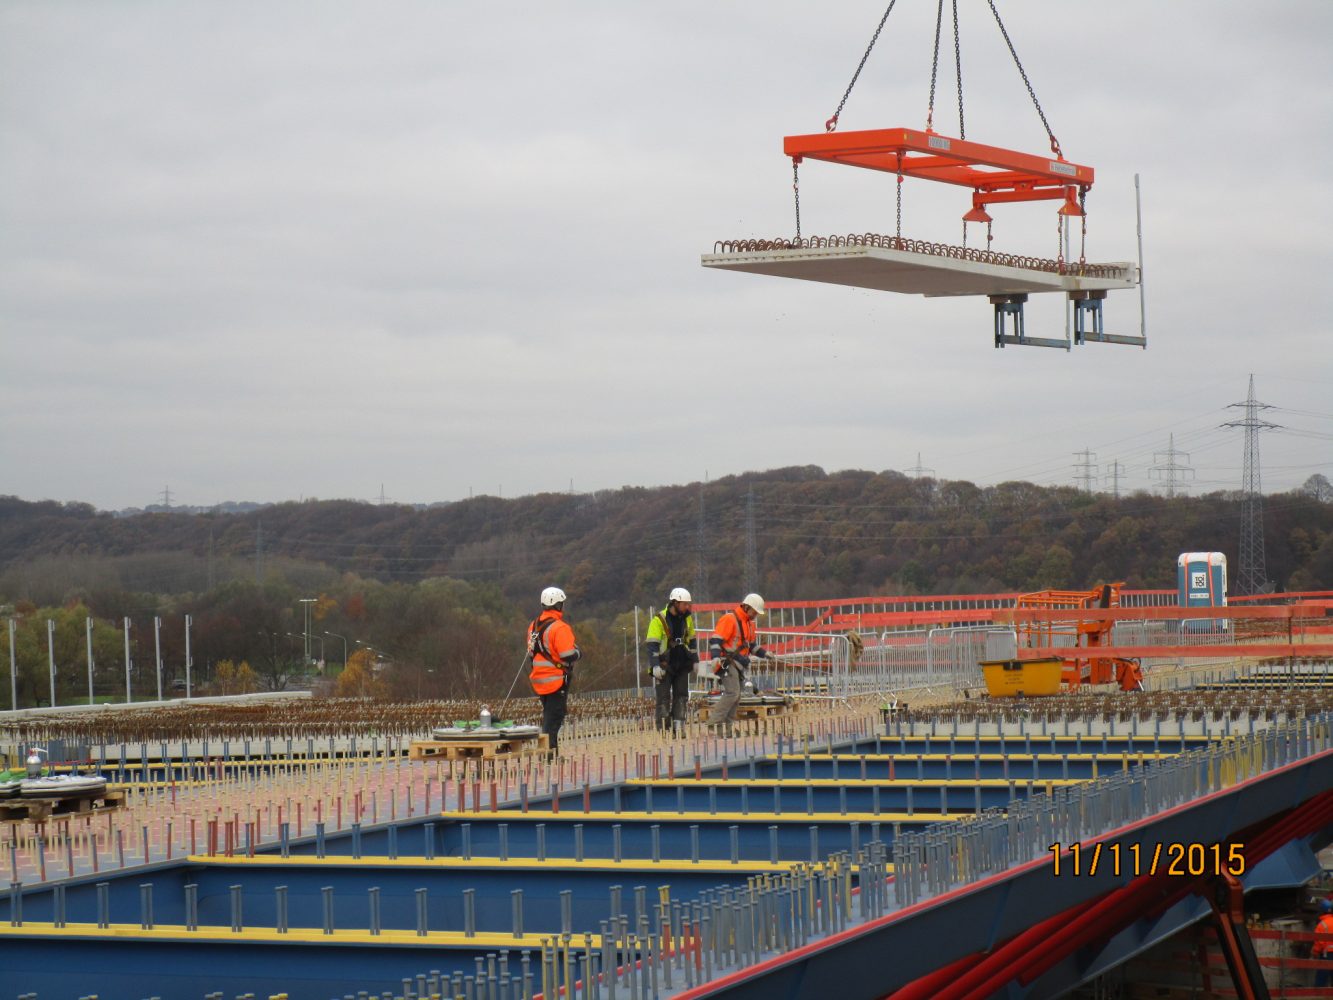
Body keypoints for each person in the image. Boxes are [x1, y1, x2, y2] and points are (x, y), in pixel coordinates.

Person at [706, 593, 770, 735]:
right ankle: (714, 723)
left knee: (737, 695)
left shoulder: (749, 624)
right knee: (732, 693)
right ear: (747, 607)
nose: (755, 615)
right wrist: (715, 658)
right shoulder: (729, 619)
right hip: (726, 662)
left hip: (738, 664)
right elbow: (716, 640)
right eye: (754, 612)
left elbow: (751, 646)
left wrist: (765, 654)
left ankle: (727, 727)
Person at [527, 586, 580, 756]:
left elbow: (531, 653)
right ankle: (549, 755)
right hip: (556, 680)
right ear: (558, 605)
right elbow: (567, 655)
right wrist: (578, 652)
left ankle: (552, 753)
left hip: (539, 680)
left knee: (550, 716)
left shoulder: (533, 626)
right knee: (554, 718)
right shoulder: (559, 627)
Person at [645, 587, 698, 735]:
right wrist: (655, 665)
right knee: (663, 697)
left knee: (681, 696)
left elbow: (692, 641)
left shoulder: (687, 618)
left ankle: (678, 727)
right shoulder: (659, 620)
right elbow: (652, 645)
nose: (687, 607)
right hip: (664, 665)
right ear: (675, 602)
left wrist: (695, 660)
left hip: (682, 664)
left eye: (688, 604)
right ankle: (664, 731)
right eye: (684, 604)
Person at [1315, 897, 1333, 987]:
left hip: (1326, 955)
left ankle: (1318, 996)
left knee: (1321, 980)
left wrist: (1315, 952)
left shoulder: (1322, 924)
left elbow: (1319, 942)